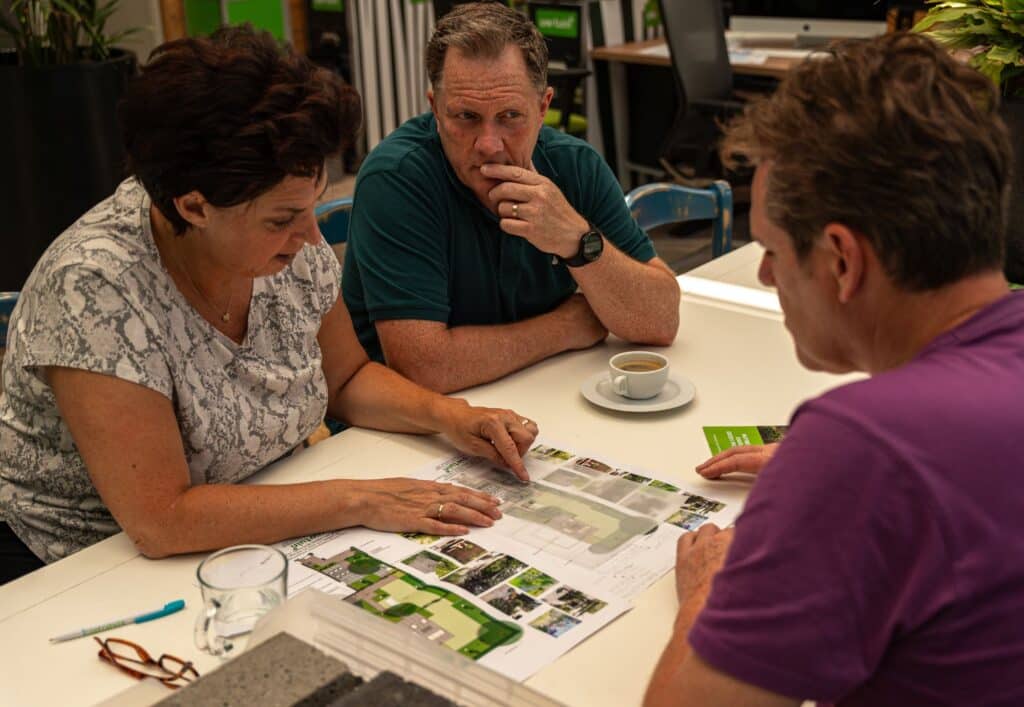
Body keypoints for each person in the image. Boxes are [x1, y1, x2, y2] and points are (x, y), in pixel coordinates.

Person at [0, 27, 539, 585]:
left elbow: (347, 377)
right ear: (194, 207)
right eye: (282, 219)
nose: (311, 238)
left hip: (249, 519)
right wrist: (361, 499)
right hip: (79, 570)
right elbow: (161, 520)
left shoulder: (276, 244)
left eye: (316, 205)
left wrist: (451, 418)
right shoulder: (94, 290)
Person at [645, 33, 1024, 706]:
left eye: (773, 250)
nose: (765, 275)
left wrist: (710, 586)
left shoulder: (864, 448)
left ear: (842, 260)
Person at [341, 2, 680, 393]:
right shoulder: (397, 179)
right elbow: (424, 368)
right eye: (466, 117)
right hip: (396, 435)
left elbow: (662, 319)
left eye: (510, 117)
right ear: (434, 108)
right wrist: (567, 326)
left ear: (543, 108)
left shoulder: (575, 165)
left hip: (533, 397)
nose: (488, 145)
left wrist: (578, 242)